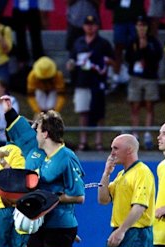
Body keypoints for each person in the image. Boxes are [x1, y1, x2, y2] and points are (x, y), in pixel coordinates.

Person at [3, 99, 84, 247]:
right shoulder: (45, 156)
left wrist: (53, 200)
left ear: (45, 133)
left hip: (60, 225)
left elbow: (78, 196)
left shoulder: (65, 157)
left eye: (36, 129)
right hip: (42, 224)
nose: (34, 133)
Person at [67, 14, 115, 151]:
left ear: (97, 27)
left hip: (98, 82)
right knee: (83, 112)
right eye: (87, 25)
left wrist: (102, 61)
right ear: (83, 27)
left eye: (92, 25)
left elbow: (113, 61)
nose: (90, 27)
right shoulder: (78, 42)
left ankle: (98, 141)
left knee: (99, 112)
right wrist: (71, 65)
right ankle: (83, 140)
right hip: (82, 81)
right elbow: (71, 60)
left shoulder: (103, 43)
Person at [124, 15, 163, 150]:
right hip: (135, 76)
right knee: (134, 105)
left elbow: (157, 57)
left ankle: (147, 133)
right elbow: (128, 58)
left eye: (144, 26)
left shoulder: (153, 41)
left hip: (150, 77)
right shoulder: (132, 41)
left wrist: (146, 48)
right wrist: (139, 50)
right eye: (139, 25)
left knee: (149, 105)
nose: (141, 28)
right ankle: (135, 134)